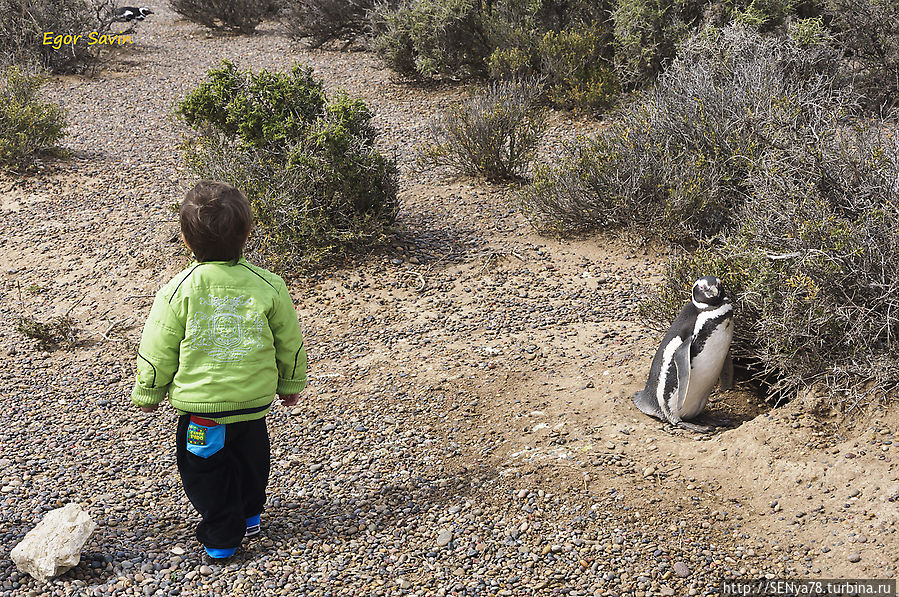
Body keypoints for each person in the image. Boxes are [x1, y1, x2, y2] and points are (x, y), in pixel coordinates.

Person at [130, 180, 307, 559]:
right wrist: (290, 383)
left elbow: (157, 347)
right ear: (247, 233)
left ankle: (222, 537)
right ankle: (248, 515)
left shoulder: (177, 290)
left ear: (184, 237)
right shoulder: (269, 286)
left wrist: (149, 391)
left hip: (203, 412)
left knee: (205, 472)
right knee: (251, 461)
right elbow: (288, 342)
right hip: (252, 405)